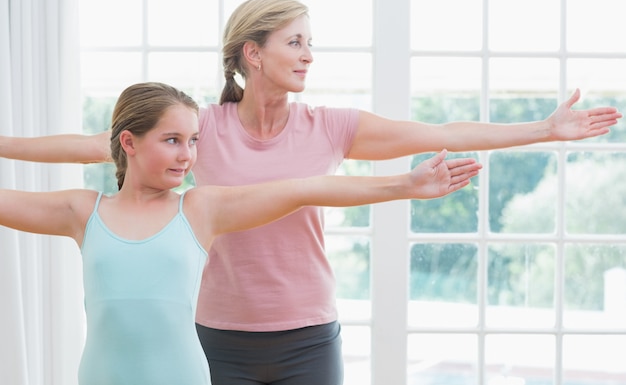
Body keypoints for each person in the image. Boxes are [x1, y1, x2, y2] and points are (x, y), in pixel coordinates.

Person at [0, 0, 621, 385]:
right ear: (253, 53)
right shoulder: (200, 130)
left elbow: (441, 130)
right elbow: (87, 144)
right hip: (218, 336)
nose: (308, 56)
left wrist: (545, 128)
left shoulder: (331, 126)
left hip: (307, 334)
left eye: (310, 44)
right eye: (295, 43)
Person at [0, 81, 481, 385]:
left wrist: (405, 184)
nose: (187, 155)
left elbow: (305, 188)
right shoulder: (82, 210)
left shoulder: (200, 209)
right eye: (172, 141)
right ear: (128, 142)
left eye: (192, 141)